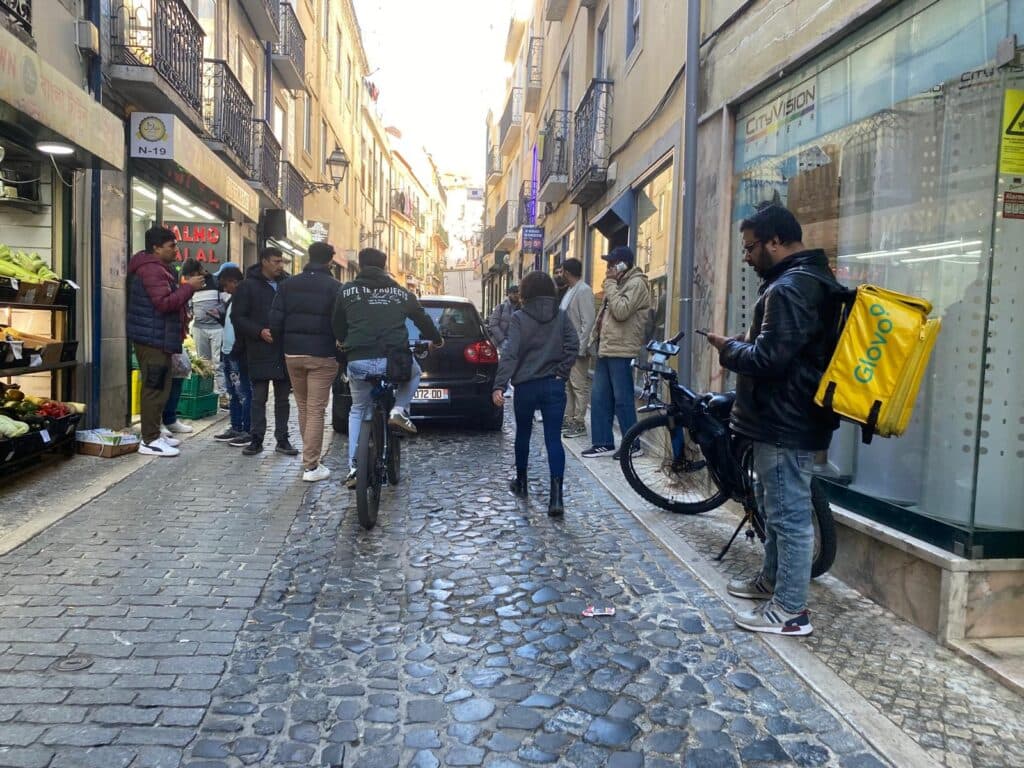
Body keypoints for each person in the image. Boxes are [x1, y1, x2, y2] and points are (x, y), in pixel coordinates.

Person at [705, 204, 841, 637]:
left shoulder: (791, 288)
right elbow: (785, 349)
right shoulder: (804, 280)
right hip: (783, 417)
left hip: (785, 421)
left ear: (776, 242)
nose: (746, 257)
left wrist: (728, 349)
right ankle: (771, 582)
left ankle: (790, 611)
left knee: (788, 516)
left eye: (750, 248)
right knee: (773, 507)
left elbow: (769, 359)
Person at [332, 248, 443, 488]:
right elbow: (422, 319)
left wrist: (342, 340)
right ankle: (399, 410)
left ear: (360, 265)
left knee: (358, 409)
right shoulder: (401, 293)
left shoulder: (346, 291)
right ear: (384, 267)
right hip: (393, 361)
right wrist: (436, 339)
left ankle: (354, 468)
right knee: (415, 372)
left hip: (358, 360)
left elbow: (337, 323)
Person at [492, 271, 578, 517]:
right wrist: (562, 372)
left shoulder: (519, 318)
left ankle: (521, 482)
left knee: (523, 434)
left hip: (526, 386)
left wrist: (499, 384)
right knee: (553, 440)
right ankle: (556, 498)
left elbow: (510, 353)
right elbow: (573, 345)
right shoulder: (561, 316)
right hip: (553, 385)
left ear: (525, 292)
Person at [126, 226, 204, 457]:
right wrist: (188, 288)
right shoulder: (151, 270)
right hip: (152, 338)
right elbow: (164, 303)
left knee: (161, 387)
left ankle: (155, 433)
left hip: (158, 336)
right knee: (154, 388)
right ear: (156, 248)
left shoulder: (159, 268)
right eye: (171, 246)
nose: (176, 250)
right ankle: (149, 440)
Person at [269, 242, 342, 482]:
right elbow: (340, 323)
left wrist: (283, 346)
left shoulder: (288, 285)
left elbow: (275, 320)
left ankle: (310, 459)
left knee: (303, 407)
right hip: (322, 354)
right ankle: (311, 465)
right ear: (330, 261)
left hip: (293, 354)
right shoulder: (335, 287)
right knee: (316, 410)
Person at [582, 245, 652, 460]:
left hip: (622, 349)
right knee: (599, 397)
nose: (608, 268)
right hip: (607, 348)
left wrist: (611, 285)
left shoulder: (637, 283)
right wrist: (593, 338)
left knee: (623, 400)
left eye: (612, 264)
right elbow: (605, 315)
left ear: (624, 265)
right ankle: (603, 442)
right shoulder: (618, 283)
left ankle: (632, 445)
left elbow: (621, 311)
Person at [230, 247, 299, 458]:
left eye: (282, 261)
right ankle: (256, 439)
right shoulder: (247, 286)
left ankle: (282, 439)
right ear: (264, 261)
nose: (280, 265)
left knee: (283, 399)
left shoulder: (288, 284)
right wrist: (259, 331)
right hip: (258, 349)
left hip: (283, 348)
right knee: (258, 397)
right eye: (276, 261)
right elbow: (237, 317)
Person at [212, 266, 252, 445]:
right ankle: (235, 426)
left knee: (243, 392)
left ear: (234, 282)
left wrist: (238, 349)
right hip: (228, 352)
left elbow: (243, 326)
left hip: (238, 353)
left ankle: (247, 430)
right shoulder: (232, 300)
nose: (225, 290)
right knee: (233, 393)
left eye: (226, 285)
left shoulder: (245, 299)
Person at [558, 258, 596, 439]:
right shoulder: (570, 290)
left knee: (579, 386)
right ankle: (569, 418)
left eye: (561, 271)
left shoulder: (584, 290)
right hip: (566, 347)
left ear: (567, 272)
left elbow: (588, 322)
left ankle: (579, 422)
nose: (560, 274)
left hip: (577, 348)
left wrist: (580, 348)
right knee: (568, 386)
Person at [188, 258, 230, 399]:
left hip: (217, 328)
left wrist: (218, 311)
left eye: (193, 274)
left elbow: (227, 301)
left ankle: (222, 394)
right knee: (204, 364)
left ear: (199, 270)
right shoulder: (191, 285)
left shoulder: (216, 282)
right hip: (199, 328)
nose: (192, 277)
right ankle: (206, 394)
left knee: (218, 363)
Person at [487, 284, 520, 350]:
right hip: (499, 344)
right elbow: (493, 325)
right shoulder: (501, 307)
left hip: (515, 344)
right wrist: (502, 340)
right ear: (509, 294)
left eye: (517, 293)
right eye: (514, 293)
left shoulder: (522, 308)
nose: (516, 295)